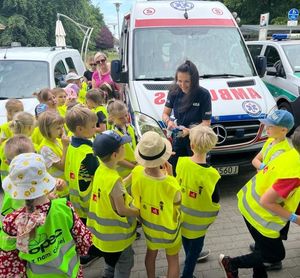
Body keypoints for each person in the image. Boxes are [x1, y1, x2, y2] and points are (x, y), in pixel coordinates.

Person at [219, 126, 300, 278]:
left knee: (261, 249)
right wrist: (295, 219)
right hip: (260, 213)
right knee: (275, 255)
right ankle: (231, 263)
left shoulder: (292, 154)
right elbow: (267, 201)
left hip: (249, 203)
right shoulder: (294, 173)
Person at [1, 152, 92, 278]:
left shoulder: (11, 222)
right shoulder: (63, 207)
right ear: (45, 183)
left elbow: (9, 260)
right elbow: (84, 240)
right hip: (70, 272)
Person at [87, 130, 138, 278]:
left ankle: (107, 275)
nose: (125, 148)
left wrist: (130, 177)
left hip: (102, 235)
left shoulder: (101, 170)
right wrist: (139, 212)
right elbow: (121, 209)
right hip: (117, 237)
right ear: (115, 155)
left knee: (111, 261)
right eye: (122, 146)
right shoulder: (113, 179)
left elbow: (112, 190)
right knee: (125, 263)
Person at [131, 131, 182, 278]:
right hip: (170, 228)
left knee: (150, 255)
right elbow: (178, 203)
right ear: (164, 157)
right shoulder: (171, 182)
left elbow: (137, 202)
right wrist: (171, 175)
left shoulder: (138, 176)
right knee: (173, 260)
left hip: (150, 226)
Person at [249, 109, 294, 270]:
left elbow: (271, 174)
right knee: (261, 222)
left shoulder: (283, 151)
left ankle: (273, 259)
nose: (266, 128)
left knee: (271, 226)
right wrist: (263, 167)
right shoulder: (270, 141)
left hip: (274, 197)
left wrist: (261, 169)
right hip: (264, 190)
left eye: (270, 126)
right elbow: (255, 160)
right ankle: (262, 246)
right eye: (266, 124)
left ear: (283, 130)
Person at [176, 125, 220, 278]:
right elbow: (215, 200)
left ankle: (189, 259)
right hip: (199, 225)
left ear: (191, 145)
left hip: (181, 217)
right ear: (211, 146)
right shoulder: (212, 174)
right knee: (195, 251)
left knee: (187, 243)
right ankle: (187, 275)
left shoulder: (181, 163)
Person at [162, 60, 212, 171]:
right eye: (179, 81)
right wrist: (169, 122)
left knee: (197, 171)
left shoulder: (203, 94)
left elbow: (206, 123)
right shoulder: (174, 91)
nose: (183, 85)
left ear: (194, 80)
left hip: (197, 140)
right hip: (179, 136)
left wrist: (189, 131)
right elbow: (165, 113)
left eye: (187, 81)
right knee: (175, 169)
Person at [64, 105, 99, 222]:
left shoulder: (72, 146)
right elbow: (98, 176)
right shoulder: (88, 153)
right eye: (93, 126)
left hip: (75, 201)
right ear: (80, 129)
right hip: (90, 203)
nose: (96, 128)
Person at [37, 111, 70, 197]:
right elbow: (62, 167)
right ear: (47, 130)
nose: (62, 130)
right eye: (58, 128)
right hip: (58, 189)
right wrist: (65, 146)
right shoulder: (45, 148)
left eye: (62, 126)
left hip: (67, 184)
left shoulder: (57, 140)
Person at [0, 112, 36, 181]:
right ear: (29, 128)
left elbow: (2, 158)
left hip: (7, 184)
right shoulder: (31, 146)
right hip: (27, 185)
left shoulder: (4, 144)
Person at [108, 100, 137, 182]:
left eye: (126, 115)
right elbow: (116, 159)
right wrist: (134, 167)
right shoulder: (112, 134)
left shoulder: (130, 128)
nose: (125, 119)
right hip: (122, 175)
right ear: (112, 118)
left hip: (133, 170)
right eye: (121, 118)